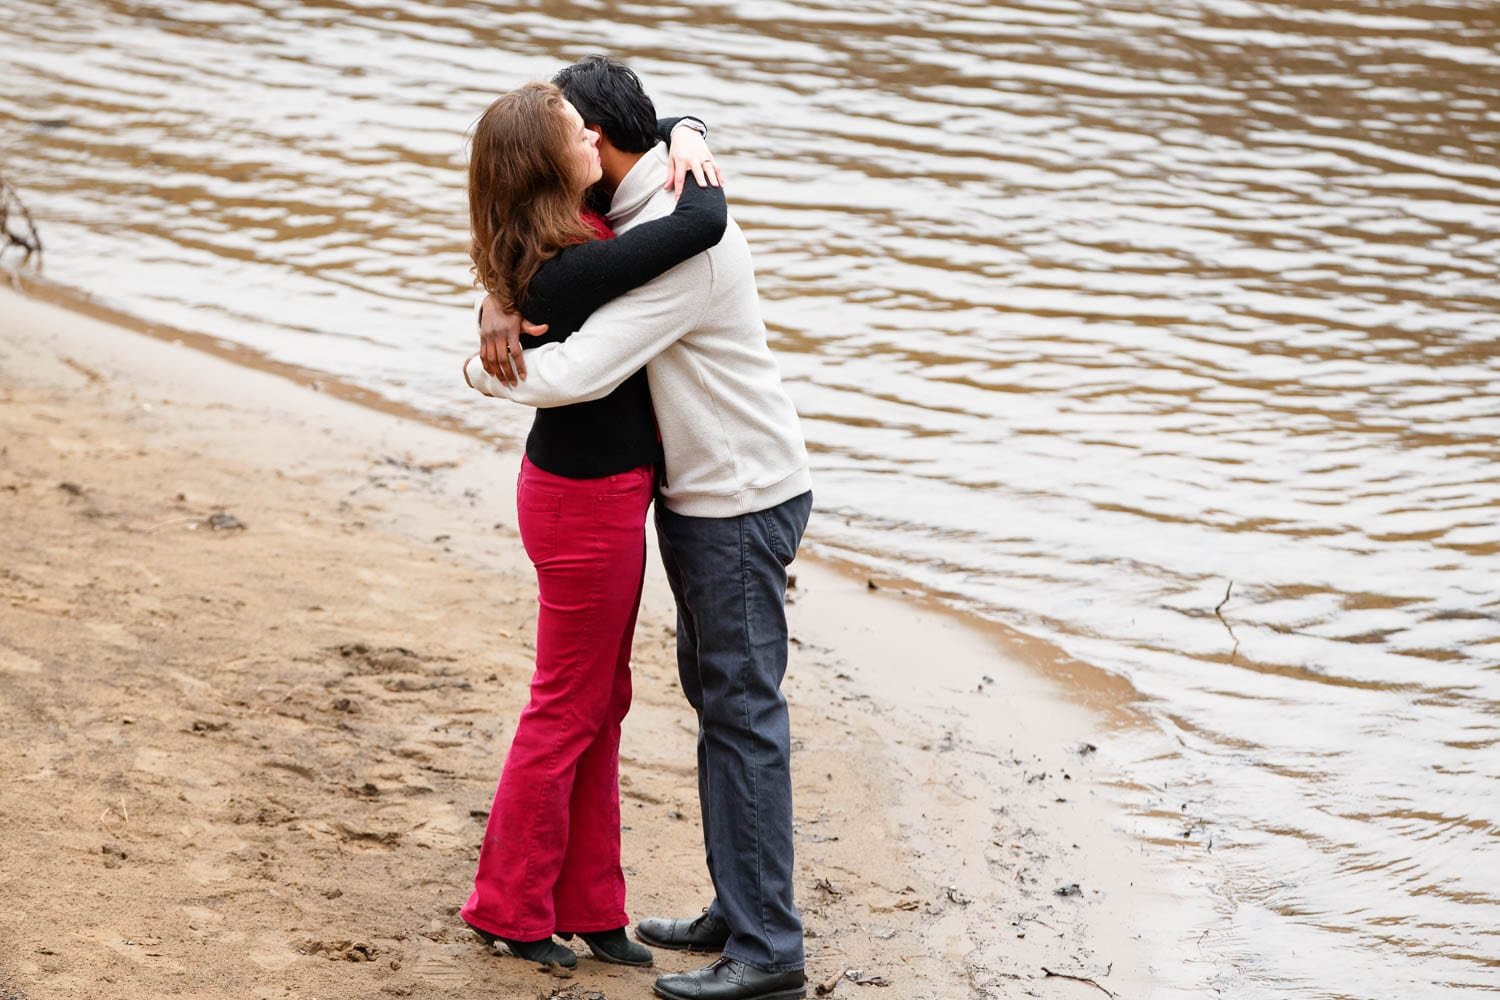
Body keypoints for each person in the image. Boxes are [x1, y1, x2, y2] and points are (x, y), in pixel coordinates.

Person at [465, 56, 813, 1000]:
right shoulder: (627, 212)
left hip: (735, 498)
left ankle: (766, 944)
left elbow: (578, 365)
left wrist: (480, 357)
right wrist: (498, 303)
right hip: (679, 495)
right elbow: (549, 271)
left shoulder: (678, 235)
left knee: (735, 713)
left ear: (610, 143)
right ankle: (739, 911)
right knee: (703, 706)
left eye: (578, 126)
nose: (570, 139)